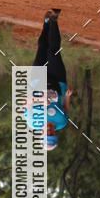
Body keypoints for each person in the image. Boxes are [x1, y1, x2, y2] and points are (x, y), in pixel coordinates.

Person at [25, 8, 72, 149]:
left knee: (42, 47)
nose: (49, 131)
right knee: (54, 51)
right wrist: (68, 96)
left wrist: (39, 100)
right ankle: (53, 19)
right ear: (54, 135)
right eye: (51, 134)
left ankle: (46, 23)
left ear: (42, 134)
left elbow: (25, 101)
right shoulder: (62, 122)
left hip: (37, 81)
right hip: (58, 82)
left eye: (47, 134)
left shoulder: (32, 122)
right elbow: (64, 108)